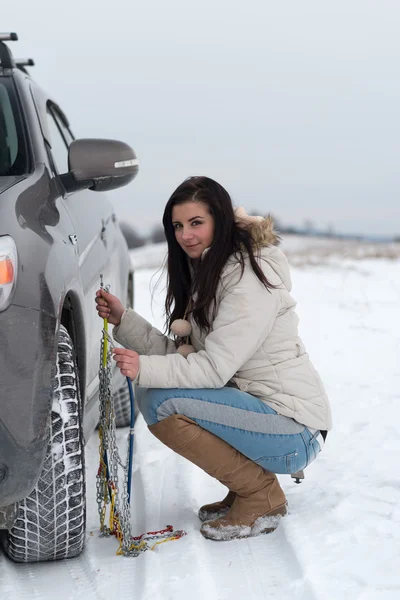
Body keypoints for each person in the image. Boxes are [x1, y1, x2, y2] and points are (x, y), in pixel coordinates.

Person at [95, 176, 332, 542]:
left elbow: (212, 369)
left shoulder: (247, 277)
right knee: (158, 393)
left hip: (293, 427)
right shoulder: (211, 270)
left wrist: (143, 368)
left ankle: (260, 494)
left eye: (196, 223)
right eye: (178, 226)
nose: (186, 235)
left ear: (219, 221)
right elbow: (188, 359)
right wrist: (125, 321)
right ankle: (247, 487)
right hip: (265, 413)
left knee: (161, 401)